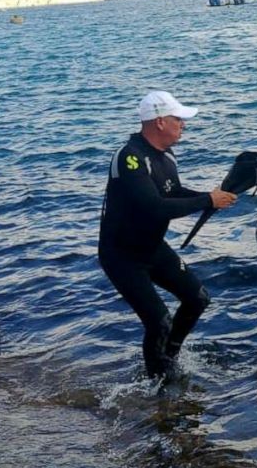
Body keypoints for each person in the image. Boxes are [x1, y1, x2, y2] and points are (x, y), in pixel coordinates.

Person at [98, 90, 236, 382]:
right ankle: (157, 389)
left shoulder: (166, 156)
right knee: (159, 321)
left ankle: (169, 358)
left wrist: (214, 196)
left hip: (152, 248)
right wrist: (207, 201)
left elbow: (173, 193)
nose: (183, 124)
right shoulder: (129, 158)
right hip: (122, 256)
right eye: (178, 119)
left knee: (197, 298)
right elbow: (155, 208)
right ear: (159, 122)